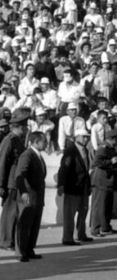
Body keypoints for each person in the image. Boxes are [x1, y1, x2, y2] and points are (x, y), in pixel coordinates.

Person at [14, 131, 47, 262]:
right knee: (24, 225)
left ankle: (29, 249)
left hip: (38, 196)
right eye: (44, 141)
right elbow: (20, 175)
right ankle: (21, 252)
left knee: (34, 225)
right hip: (28, 196)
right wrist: (23, 191)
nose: (46, 143)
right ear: (36, 142)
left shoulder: (38, 155)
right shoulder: (27, 155)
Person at [57, 129, 94, 245]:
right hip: (73, 187)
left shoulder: (86, 150)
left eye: (87, 137)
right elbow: (64, 168)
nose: (86, 139)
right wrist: (61, 185)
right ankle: (67, 238)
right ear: (77, 137)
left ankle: (81, 234)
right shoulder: (70, 151)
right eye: (83, 137)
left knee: (83, 212)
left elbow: (86, 170)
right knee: (70, 215)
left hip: (83, 187)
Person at [0, 109, 29, 251]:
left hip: (16, 181)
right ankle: (5, 241)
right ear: (20, 126)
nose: (27, 128)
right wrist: (0, 184)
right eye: (25, 126)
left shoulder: (18, 140)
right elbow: (2, 162)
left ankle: (9, 240)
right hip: (10, 181)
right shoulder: (9, 140)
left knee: (14, 212)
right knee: (9, 212)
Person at [90, 128, 117, 237]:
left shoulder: (111, 148)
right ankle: (95, 228)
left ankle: (105, 227)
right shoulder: (103, 148)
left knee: (107, 205)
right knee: (99, 206)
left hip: (108, 180)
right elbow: (97, 162)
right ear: (112, 139)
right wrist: (110, 162)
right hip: (102, 180)